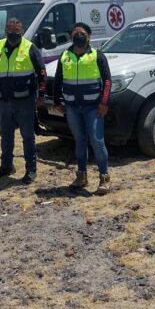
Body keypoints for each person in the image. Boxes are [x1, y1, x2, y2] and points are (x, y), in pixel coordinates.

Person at [0, 18, 46, 184]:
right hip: (2, 101)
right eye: (9, 30)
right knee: (5, 135)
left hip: (24, 100)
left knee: (27, 136)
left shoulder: (30, 48)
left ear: (22, 31)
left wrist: (42, 94)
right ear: (5, 31)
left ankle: (31, 169)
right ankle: (6, 166)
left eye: (16, 30)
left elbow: (42, 72)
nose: (12, 33)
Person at [53, 22, 112, 195]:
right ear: (71, 36)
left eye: (83, 33)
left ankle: (104, 177)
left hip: (93, 107)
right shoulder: (64, 55)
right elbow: (58, 80)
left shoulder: (97, 55)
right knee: (79, 141)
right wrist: (57, 102)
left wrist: (104, 103)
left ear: (89, 36)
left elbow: (107, 81)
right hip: (72, 107)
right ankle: (81, 176)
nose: (79, 35)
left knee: (97, 140)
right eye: (75, 33)